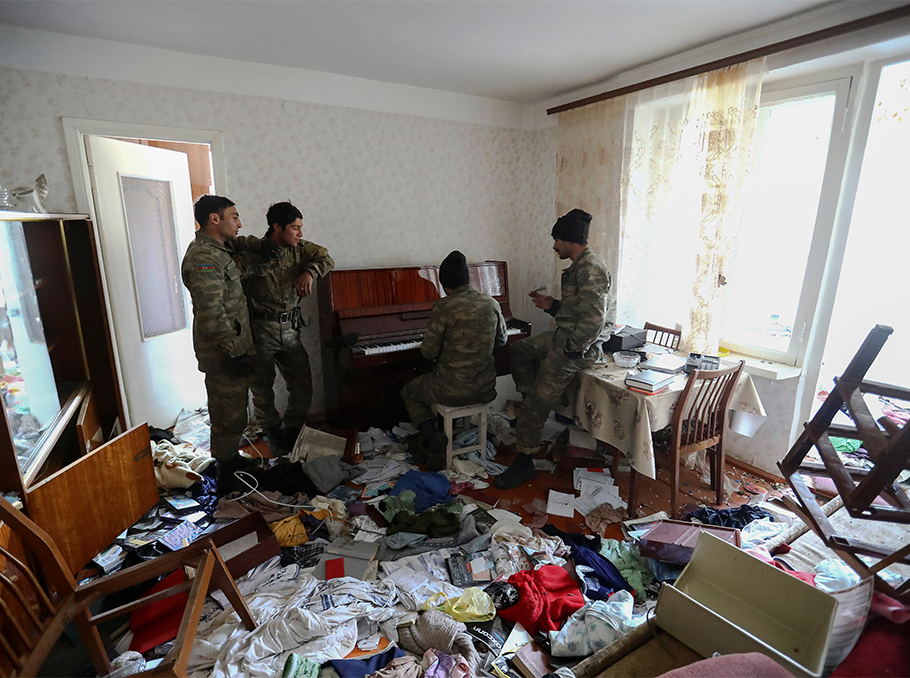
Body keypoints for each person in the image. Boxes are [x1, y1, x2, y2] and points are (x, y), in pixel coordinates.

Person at [495, 209, 614, 489]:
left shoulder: (590, 268)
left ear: (569, 240)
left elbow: (595, 320)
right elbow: (578, 311)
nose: (553, 246)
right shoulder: (578, 266)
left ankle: (524, 461)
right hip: (565, 336)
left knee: (536, 405)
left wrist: (573, 349)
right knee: (520, 351)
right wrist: (553, 306)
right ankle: (531, 411)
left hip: (576, 348)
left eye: (556, 240)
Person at [233, 202, 334, 455]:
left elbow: (326, 258)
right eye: (294, 228)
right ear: (277, 227)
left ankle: (291, 430)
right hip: (259, 331)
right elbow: (230, 282)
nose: (300, 233)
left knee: (302, 384)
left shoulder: (300, 250)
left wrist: (310, 273)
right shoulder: (253, 253)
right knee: (262, 389)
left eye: (300, 228)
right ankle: (272, 433)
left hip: (290, 330)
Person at [402, 250, 508, 470]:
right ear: (468, 279)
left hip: (449, 390)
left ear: (443, 284)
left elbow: (428, 353)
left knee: (408, 391)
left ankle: (433, 436)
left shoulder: (444, 307)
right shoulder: (492, 303)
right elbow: (502, 341)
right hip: (484, 388)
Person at [181, 195, 255, 489]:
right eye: (234, 216)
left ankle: (231, 461)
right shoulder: (203, 258)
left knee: (235, 412)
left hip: (233, 348)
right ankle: (226, 479)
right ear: (215, 218)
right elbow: (212, 314)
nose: (239, 223)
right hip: (224, 352)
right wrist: (237, 351)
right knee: (227, 415)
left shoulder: (219, 250)